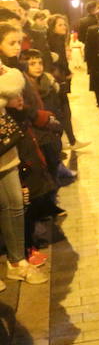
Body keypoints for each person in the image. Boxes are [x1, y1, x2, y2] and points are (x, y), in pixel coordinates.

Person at [0, 24, 49, 285]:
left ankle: (17, 261)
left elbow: (15, 80)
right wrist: (4, 100)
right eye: (12, 42)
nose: (18, 47)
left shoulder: (7, 69)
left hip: (6, 150)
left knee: (16, 205)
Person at [47, 14, 87, 150]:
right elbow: (61, 60)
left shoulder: (52, 39)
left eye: (64, 24)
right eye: (59, 25)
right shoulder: (57, 40)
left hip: (57, 77)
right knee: (63, 110)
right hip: (59, 77)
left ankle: (69, 140)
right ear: (52, 28)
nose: (63, 27)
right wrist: (68, 72)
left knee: (61, 109)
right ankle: (70, 141)